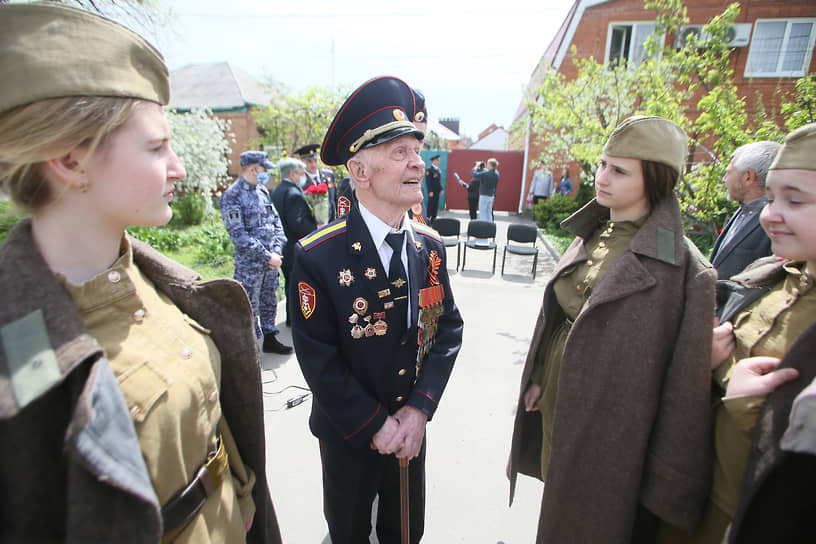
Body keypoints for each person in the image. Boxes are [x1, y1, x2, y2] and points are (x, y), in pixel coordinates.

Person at [0, 4, 281, 543]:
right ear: (70, 160)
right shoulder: (21, 353)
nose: (178, 168)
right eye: (156, 147)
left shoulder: (165, 288)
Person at [507, 116, 716, 543]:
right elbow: (562, 312)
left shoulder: (685, 269)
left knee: (591, 518)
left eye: (619, 170)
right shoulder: (594, 229)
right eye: (602, 164)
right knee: (559, 498)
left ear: (656, 180)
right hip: (560, 397)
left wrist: (669, 486)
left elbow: (684, 391)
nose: (601, 177)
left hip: (615, 423)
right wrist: (540, 378)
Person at [290, 76, 464, 544]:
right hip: (348, 433)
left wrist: (418, 412)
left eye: (417, 149)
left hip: (410, 431)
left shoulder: (428, 245)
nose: (417, 163)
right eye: (399, 152)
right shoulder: (317, 256)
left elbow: (446, 329)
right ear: (360, 172)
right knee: (347, 531)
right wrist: (375, 425)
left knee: (406, 531)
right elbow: (316, 356)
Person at [675, 123, 816, 544]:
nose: (770, 214)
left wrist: (752, 403)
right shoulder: (771, 280)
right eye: (772, 198)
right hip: (702, 500)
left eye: (795, 200)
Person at [220, 151, 292, 354]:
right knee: (247, 306)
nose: (266, 173)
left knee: (269, 300)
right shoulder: (232, 195)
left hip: (271, 262)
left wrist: (276, 252)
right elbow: (238, 235)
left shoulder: (262, 190)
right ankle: (248, 350)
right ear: (253, 169)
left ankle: (270, 338)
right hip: (250, 265)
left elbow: (276, 222)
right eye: (264, 169)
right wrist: (266, 255)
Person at [708, 141, 780, 280]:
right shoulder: (743, 211)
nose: (724, 179)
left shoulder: (775, 221)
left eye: (728, 173)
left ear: (748, 177)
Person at [271, 157, 317, 327]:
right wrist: (316, 227)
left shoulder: (277, 190)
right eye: (300, 173)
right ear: (291, 174)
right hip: (294, 247)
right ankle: (297, 319)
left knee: (290, 283)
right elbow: (298, 223)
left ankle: (291, 318)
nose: (302, 176)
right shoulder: (293, 193)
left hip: (283, 247)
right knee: (298, 285)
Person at [295, 143, 338, 222]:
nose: (313, 165)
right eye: (309, 162)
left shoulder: (328, 175)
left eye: (315, 161)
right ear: (303, 163)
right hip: (313, 225)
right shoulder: (300, 180)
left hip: (332, 222)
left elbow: (335, 199)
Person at [424, 154, 442, 222]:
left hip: (437, 191)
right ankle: (428, 218)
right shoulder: (429, 170)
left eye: (439, 160)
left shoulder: (438, 170)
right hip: (432, 191)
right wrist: (430, 191)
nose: (438, 162)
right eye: (437, 160)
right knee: (430, 205)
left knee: (435, 205)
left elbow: (438, 181)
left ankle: (434, 219)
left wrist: (441, 189)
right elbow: (428, 182)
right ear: (434, 161)